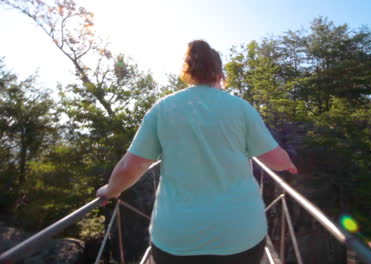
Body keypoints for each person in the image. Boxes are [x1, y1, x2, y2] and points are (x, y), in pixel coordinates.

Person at [96, 40, 298, 264]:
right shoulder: (240, 108)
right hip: (240, 234)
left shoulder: (163, 108)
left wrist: (111, 190)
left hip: (177, 238)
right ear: (219, 73)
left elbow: (131, 166)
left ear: (187, 70)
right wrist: (288, 163)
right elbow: (275, 160)